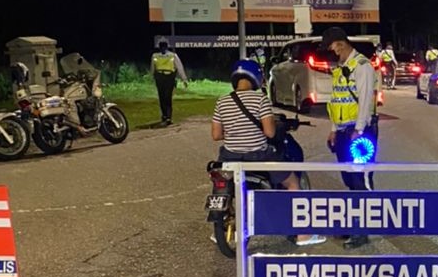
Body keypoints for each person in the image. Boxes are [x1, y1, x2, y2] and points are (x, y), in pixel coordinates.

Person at [211, 59, 319, 245]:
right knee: (293, 183)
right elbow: (269, 132)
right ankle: (302, 234)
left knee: (220, 182)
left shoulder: (222, 101)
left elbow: (216, 135)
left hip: (229, 158)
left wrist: (235, 132)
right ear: (256, 77)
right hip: (258, 156)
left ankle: (218, 229)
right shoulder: (260, 99)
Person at [323, 26, 379, 249]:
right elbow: (336, 101)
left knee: (361, 181)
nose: (332, 52)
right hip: (343, 131)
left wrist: (359, 129)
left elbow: (365, 99)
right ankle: (354, 223)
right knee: (349, 180)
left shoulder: (362, 66)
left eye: (332, 47)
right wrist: (333, 129)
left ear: (341, 44)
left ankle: (362, 231)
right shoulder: (341, 68)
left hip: (359, 132)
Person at [150, 39, 188, 125]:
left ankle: (168, 117)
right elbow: (152, 67)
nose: (163, 48)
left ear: (167, 47)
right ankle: (164, 116)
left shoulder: (173, 56)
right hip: (159, 77)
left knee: (167, 97)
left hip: (169, 77)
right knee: (161, 97)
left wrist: (184, 79)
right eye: (161, 46)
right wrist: (151, 77)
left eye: (164, 46)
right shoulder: (155, 56)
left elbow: (179, 67)